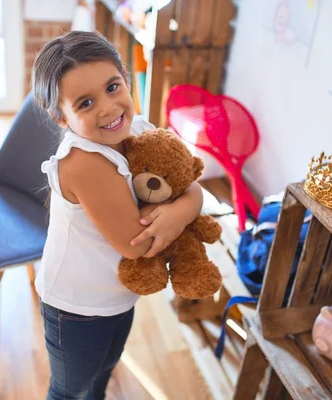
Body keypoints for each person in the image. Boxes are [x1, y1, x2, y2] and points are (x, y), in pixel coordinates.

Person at [32, 30, 204, 400]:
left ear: (126, 79)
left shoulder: (138, 129)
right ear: (61, 117)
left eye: (112, 87)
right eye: (85, 103)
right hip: (76, 306)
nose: (108, 109)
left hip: (116, 296)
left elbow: (191, 181)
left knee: (105, 368)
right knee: (69, 390)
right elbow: (138, 244)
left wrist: (181, 210)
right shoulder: (84, 163)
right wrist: (180, 211)